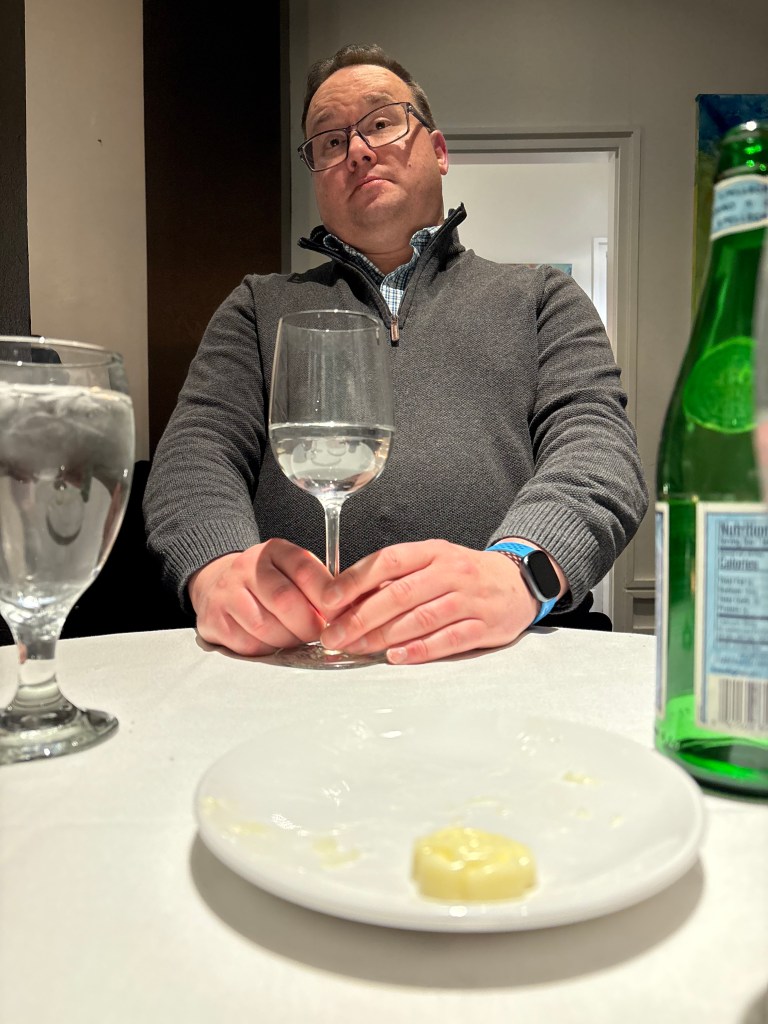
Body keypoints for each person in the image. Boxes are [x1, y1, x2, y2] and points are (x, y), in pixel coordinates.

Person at [144, 43, 649, 664]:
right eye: (329, 142)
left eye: (382, 123)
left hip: (503, 658)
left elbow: (599, 453)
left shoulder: (543, 297)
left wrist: (522, 571)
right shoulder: (257, 308)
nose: (356, 150)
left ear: (438, 152)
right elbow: (195, 455)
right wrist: (216, 568)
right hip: (292, 663)